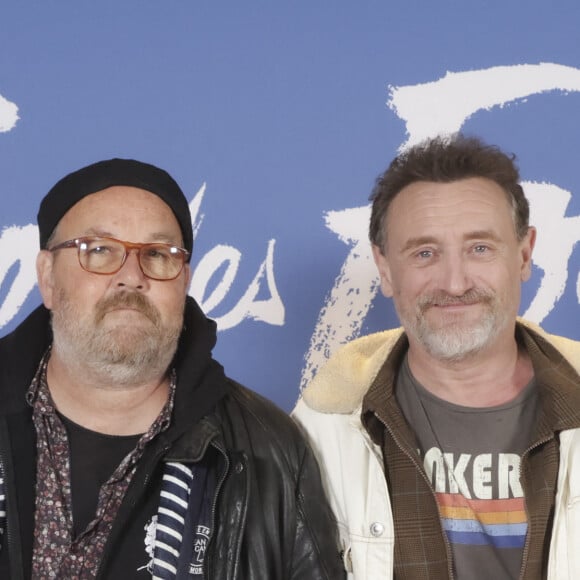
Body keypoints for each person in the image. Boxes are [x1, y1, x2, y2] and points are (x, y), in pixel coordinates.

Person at [0, 158, 343, 579]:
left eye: (158, 255)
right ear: (48, 277)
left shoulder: (269, 450)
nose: (131, 277)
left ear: (184, 282)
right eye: (100, 250)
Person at [292, 134, 580, 579]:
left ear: (524, 254)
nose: (454, 282)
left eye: (479, 248)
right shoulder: (323, 429)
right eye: (425, 253)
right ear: (385, 268)